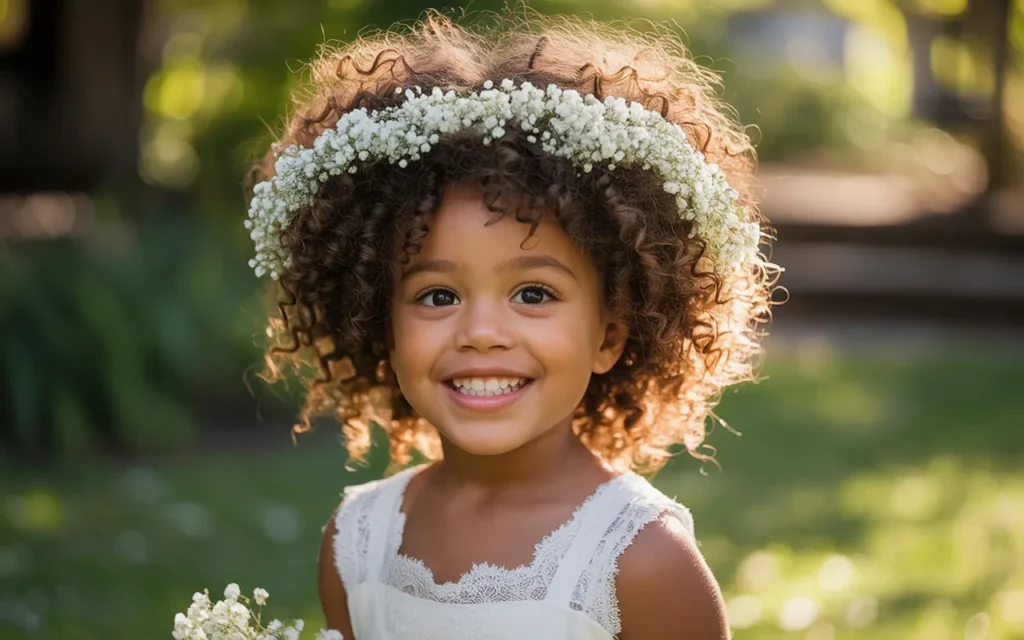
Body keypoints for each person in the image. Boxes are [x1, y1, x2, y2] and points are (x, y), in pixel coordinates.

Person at [245, 9, 773, 639]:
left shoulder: (641, 564)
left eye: (532, 291)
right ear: (381, 325)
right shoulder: (357, 543)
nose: (481, 332)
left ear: (608, 336)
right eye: (438, 296)